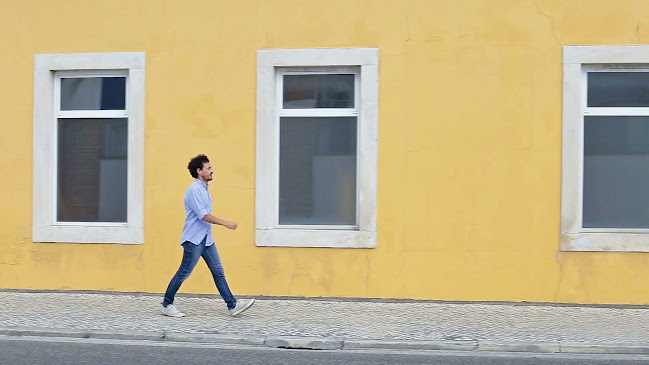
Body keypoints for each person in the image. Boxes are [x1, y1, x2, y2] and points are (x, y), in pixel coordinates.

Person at [160, 154, 254, 317]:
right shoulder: (194, 190)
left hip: (206, 240)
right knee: (184, 272)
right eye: (209, 168)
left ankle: (233, 305)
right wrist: (226, 223)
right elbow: (203, 215)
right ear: (199, 171)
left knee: (218, 271)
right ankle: (166, 304)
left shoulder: (203, 189)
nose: (212, 171)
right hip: (194, 239)